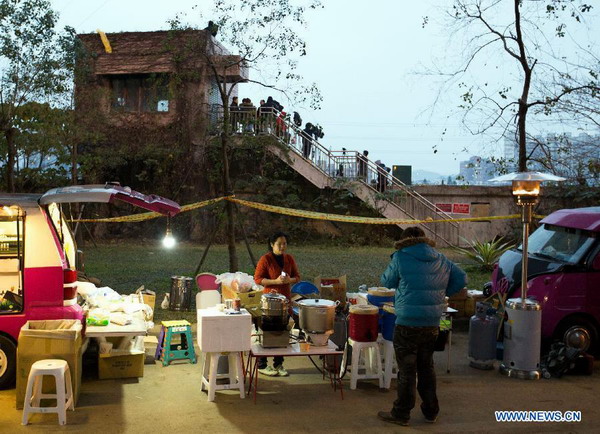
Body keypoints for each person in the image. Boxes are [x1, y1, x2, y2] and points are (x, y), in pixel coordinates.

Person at [378, 227, 466, 426]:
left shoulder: (400, 256)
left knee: (407, 370)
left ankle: (401, 413)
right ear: (425, 240)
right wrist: (442, 294)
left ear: (404, 240)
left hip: (407, 322)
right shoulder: (441, 258)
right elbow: (462, 278)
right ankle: (431, 411)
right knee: (427, 368)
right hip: (433, 322)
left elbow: (387, 281)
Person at [253, 231, 301, 377]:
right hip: (269, 302)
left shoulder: (289, 259)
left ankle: (279, 364)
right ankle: (262, 364)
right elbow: (258, 279)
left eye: (284, 244)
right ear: (272, 244)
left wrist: (289, 280)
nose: (282, 247)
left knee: (282, 331)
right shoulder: (266, 259)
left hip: (285, 301)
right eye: (279, 244)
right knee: (267, 330)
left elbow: (297, 276)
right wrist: (275, 282)